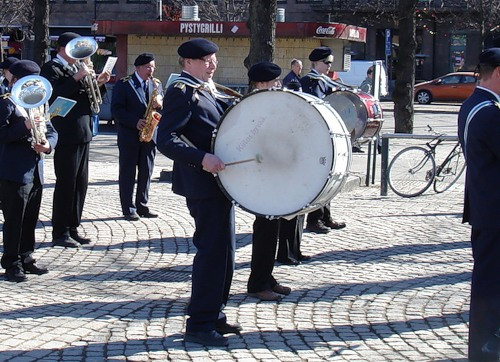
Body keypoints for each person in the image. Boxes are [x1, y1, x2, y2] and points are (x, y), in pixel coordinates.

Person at [157, 38, 241, 347]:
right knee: (211, 254)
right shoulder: (182, 92)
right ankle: (199, 324)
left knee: (226, 254)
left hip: (221, 183)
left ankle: (215, 314)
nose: (213, 63)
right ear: (188, 62)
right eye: (206, 59)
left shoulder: (208, 89)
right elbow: (165, 139)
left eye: (214, 58)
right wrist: (201, 159)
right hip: (203, 183)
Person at [41, 32, 111, 248]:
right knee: (66, 183)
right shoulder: (51, 68)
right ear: (62, 48)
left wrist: (98, 82)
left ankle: (73, 226)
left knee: (80, 183)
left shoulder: (75, 68)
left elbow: (88, 97)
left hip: (83, 130)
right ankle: (60, 231)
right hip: (65, 132)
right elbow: (53, 98)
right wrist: (77, 78)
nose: (79, 54)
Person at [457, 47, 500, 361]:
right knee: (489, 281)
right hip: (494, 210)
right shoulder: (489, 112)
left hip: (486, 206)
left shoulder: (475, 104)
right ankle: (485, 347)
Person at [0, 60, 58, 282]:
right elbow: (2, 135)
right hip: (14, 170)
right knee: (14, 218)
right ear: (15, 81)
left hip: (35, 168)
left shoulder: (40, 103)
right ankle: (11, 262)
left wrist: (48, 145)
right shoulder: (6, 103)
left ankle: (26, 257)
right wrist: (23, 127)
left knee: (30, 217)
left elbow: (52, 129)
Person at [245, 61, 293, 301]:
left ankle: (267, 276)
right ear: (262, 83)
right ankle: (257, 283)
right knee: (264, 229)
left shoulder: (268, 104)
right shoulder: (252, 107)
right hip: (260, 176)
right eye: (275, 82)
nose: (279, 85)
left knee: (272, 227)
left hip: (273, 174)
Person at [300, 46, 346, 234]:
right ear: (316, 63)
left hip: (326, 135)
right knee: (318, 177)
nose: (329, 66)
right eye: (326, 63)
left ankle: (325, 216)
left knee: (328, 175)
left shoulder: (326, 82)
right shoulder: (308, 82)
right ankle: (314, 220)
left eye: (330, 63)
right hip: (313, 136)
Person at [111, 53, 163, 221]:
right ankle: (128, 208)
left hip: (149, 136)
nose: (151, 70)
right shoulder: (124, 84)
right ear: (138, 68)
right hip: (129, 136)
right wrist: (135, 122)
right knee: (128, 173)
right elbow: (116, 110)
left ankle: (142, 204)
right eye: (148, 67)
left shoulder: (156, 84)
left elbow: (161, 110)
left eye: (153, 67)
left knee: (146, 172)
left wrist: (160, 106)